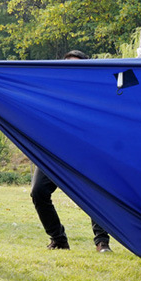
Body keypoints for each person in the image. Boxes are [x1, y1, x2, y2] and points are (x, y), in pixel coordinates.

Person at [30, 50, 112, 253]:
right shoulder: (53, 91)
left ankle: (102, 242)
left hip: (87, 151)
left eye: (76, 65)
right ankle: (58, 239)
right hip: (56, 152)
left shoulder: (95, 92)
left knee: (96, 193)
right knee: (38, 192)